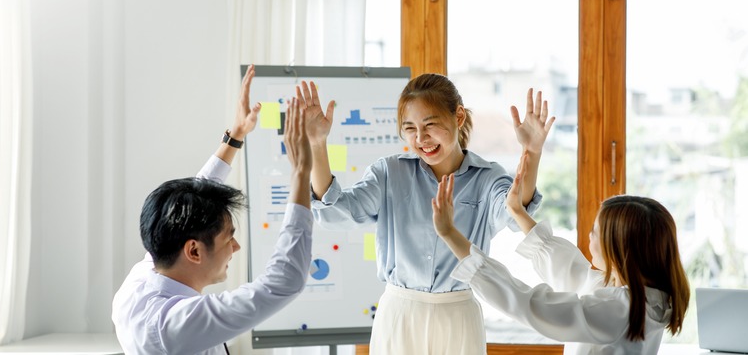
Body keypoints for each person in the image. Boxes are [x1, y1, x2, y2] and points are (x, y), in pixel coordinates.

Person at [296, 73, 555, 354]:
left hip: (458, 314)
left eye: (430, 125)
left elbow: (516, 211)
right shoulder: (389, 173)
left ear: (458, 117)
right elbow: (335, 212)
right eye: (410, 128)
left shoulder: (487, 178)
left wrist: (532, 151)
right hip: (399, 313)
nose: (420, 138)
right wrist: (317, 144)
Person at [111, 65, 314, 355]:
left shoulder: (143, 279)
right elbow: (284, 283)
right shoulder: (172, 325)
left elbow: (193, 198)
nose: (237, 246)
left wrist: (236, 136)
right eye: (228, 238)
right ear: (193, 251)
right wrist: (301, 172)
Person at [432, 153, 691, 354]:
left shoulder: (620, 309)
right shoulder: (645, 298)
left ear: (621, 250)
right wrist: (518, 213)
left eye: (595, 230)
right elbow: (572, 270)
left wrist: (449, 234)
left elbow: (531, 305)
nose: (589, 236)